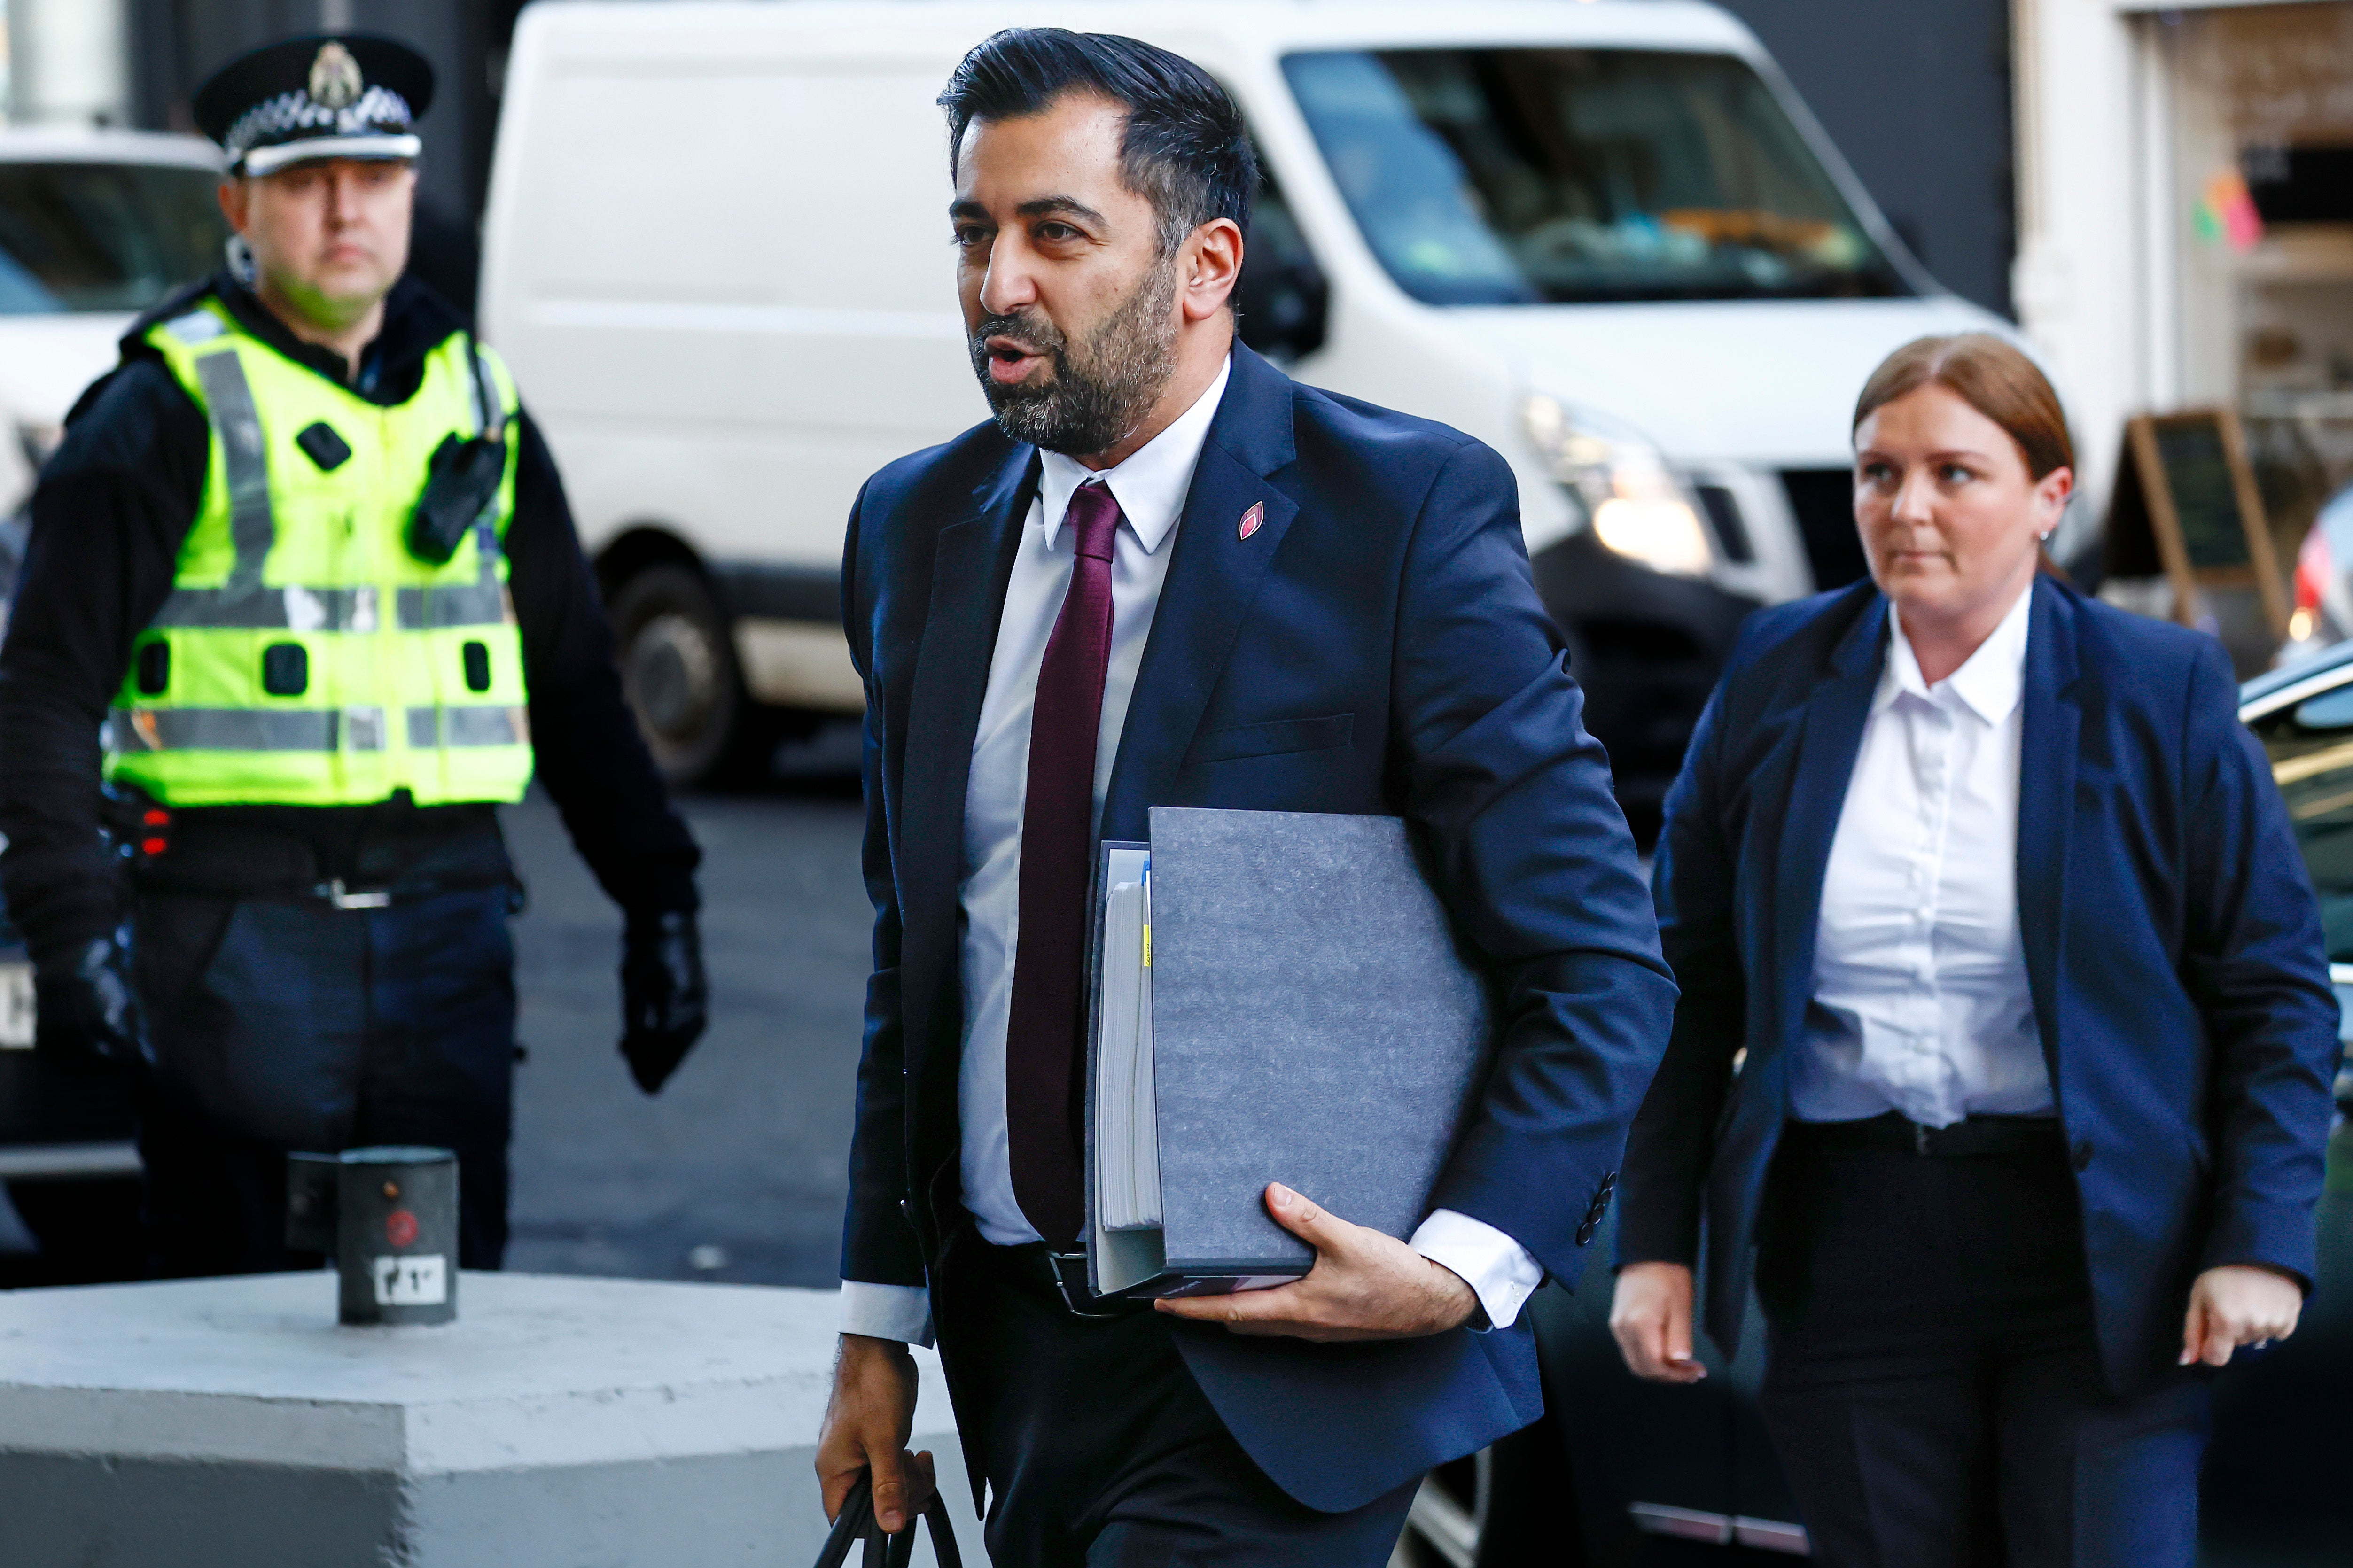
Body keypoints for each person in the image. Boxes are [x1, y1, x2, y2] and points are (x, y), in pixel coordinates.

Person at [813, 27, 1674, 1566]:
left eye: (1055, 234)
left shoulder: (1401, 515)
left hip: (1289, 1367)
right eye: (973, 231)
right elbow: (920, 956)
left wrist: (1463, 1266)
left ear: (1204, 263)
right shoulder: (914, 525)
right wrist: (877, 1324)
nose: (997, 283)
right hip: (1017, 1352)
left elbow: (1599, 961)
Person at [1610, 334, 2339, 1566]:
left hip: (2097, 1247)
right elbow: (1683, 985)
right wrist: (1655, 1240)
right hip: (1852, 1241)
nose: (1907, 509)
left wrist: (2257, 1239)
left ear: (2051, 497)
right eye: (1877, 472)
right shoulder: (1779, 675)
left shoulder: (2158, 689)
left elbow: (2272, 992)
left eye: (1955, 473)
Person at [0, 33, 708, 1278]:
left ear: (409, 192)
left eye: (375, 177)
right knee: (232, 1328)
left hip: (446, 934)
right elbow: (45, 695)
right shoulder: (160, 408)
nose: (345, 209)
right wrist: (74, 942)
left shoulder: (477, 399)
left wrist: (659, 900)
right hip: (233, 940)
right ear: (240, 203)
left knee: (438, 1314)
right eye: (307, 178)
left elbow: (577, 681)